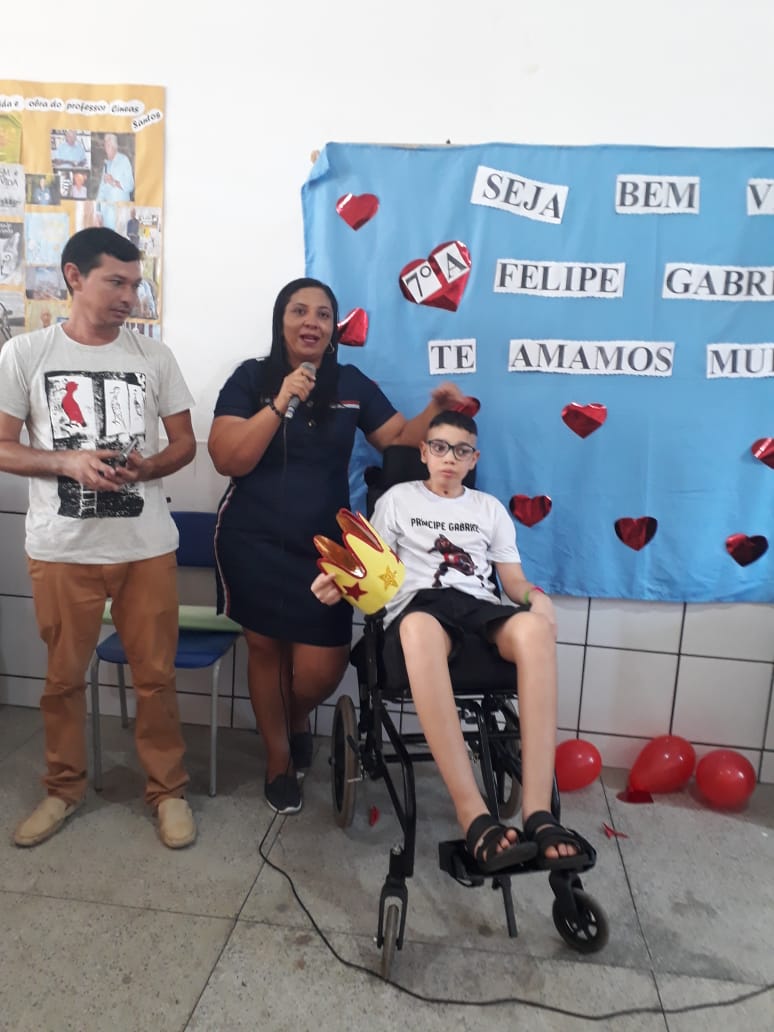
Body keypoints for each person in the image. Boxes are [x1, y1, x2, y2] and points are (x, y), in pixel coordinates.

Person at [208, 277, 466, 815]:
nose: (311, 322)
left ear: (332, 330)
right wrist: (279, 402)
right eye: (299, 311)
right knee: (264, 651)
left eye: (323, 314)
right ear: (280, 321)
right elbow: (228, 459)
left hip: (326, 551)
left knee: (319, 671)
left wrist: (433, 410)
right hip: (251, 539)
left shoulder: (351, 383)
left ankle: (292, 718)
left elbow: (397, 438)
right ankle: (278, 759)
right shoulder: (251, 379)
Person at [312, 410, 593, 874]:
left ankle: (539, 815)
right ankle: (473, 816)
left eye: (460, 451)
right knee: (419, 627)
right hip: (420, 610)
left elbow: (513, 580)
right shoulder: (399, 500)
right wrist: (342, 581)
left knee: (535, 628)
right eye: (439, 447)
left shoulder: (489, 509)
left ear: (473, 459)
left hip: (480, 609)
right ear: (424, 453)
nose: (448, 458)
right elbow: (371, 563)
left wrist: (536, 599)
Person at [0, 227, 198, 850]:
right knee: (61, 679)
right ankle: (62, 789)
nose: (129, 297)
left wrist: (150, 467)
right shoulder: (26, 354)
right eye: (116, 281)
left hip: (145, 547)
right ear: (74, 276)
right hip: (62, 547)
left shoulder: (154, 357)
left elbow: (185, 443)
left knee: (156, 677)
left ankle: (168, 792)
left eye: (136, 285)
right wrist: (67, 463)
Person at [96, 133, 134, 203]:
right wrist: (97, 208)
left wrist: (113, 181)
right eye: (105, 145)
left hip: (121, 207)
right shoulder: (106, 164)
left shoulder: (123, 160)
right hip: (108, 208)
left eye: (108, 145)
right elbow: (101, 191)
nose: (105, 148)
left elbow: (130, 185)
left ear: (114, 147)